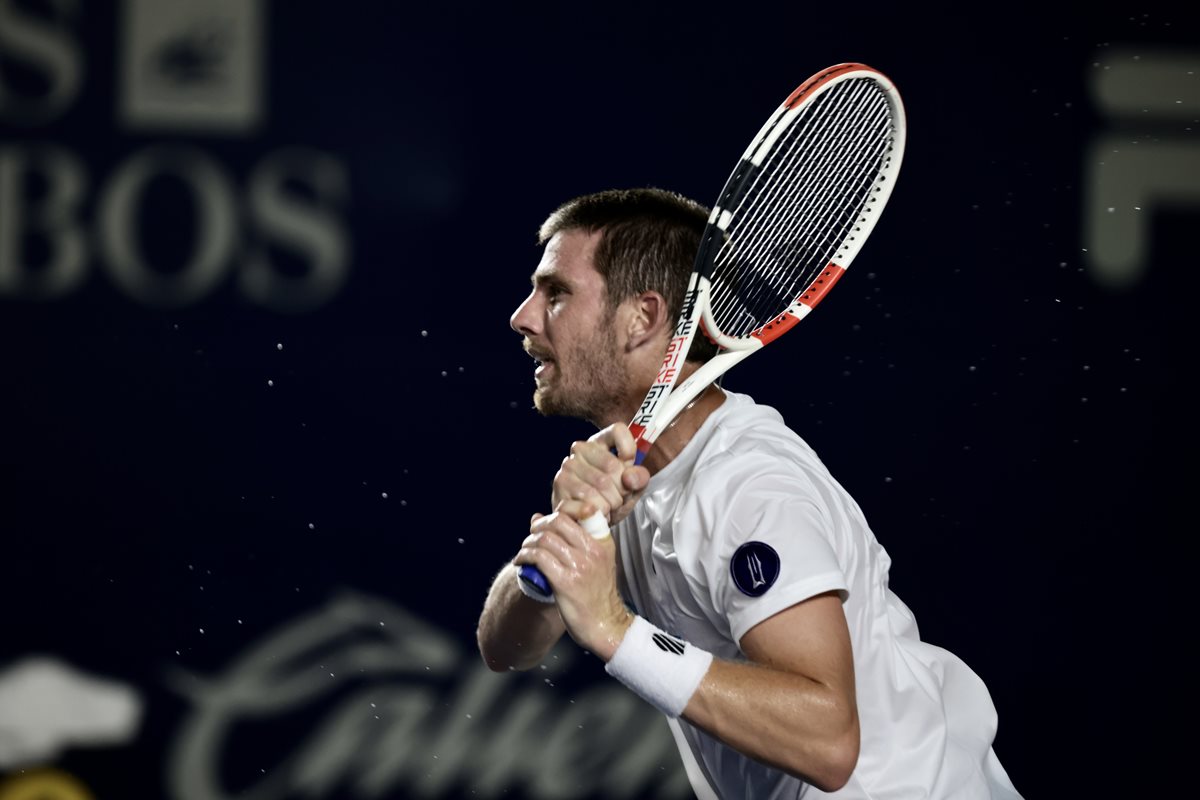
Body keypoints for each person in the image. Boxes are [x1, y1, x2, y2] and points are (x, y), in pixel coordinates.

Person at [476, 187, 1022, 799]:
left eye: (556, 293)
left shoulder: (750, 486)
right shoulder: (626, 470)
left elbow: (829, 742)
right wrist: (564, 537)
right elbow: (507, 648)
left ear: (643, 318)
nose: (523, 316)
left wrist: (615, 631)